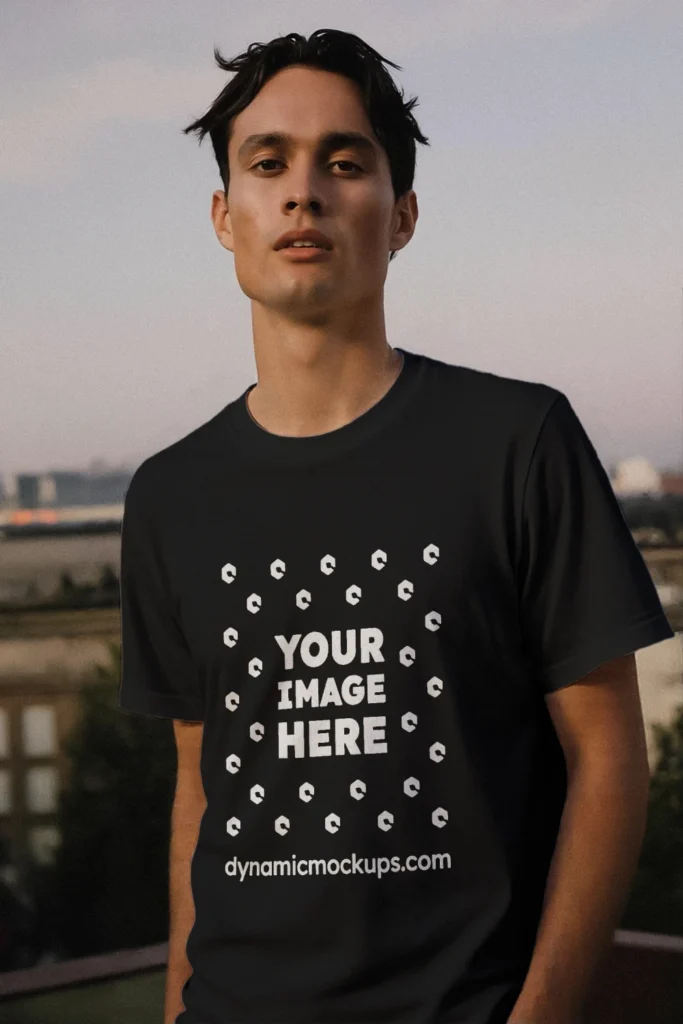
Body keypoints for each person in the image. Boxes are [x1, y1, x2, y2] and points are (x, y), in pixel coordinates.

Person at [117, 28, 674, 1024]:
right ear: (223, 215)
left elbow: (607, 759)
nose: (303, 192)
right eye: (267, 163)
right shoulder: (169, 494)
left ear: (402, 213)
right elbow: (201, 788)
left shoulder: (517, 441)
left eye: (343, 161)